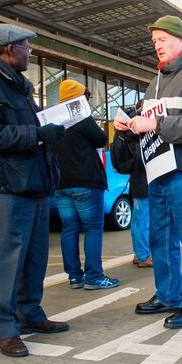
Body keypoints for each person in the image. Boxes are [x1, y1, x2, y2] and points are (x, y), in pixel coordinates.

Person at [0, 23, 67, 358]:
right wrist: (37, 134)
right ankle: (6, 329)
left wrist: (49, 129)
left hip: (33, 183)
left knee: (35, 257)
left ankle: (31, 313)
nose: (30, 52)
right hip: (8, 184)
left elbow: (28, 128)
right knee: (8, 260)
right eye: (26, 46)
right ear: (9, 49)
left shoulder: (20, 87)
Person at [116, 15, 182, 329]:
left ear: (180, 40)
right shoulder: (156, 81)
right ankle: (167, 294)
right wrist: (131, 122)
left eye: (162, 40)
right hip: (159, 170)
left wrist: (156, 124)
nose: (157, 46)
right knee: (160, 236)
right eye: (154, 42)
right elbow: (150, 119)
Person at [51, 80, 118, 290]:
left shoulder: (52, 120)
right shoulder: (80, 116)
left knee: (69, 228)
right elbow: (101, 139)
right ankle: (94, 276)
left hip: (61, 184)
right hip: (85, 182)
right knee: (92, 228)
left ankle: (74, 276)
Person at [111, 102, 152, 268]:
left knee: (138, 219)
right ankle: (143, 255)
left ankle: (139, 253)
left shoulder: (126, 130)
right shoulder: (140, 130)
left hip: (137, 180)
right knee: (143, 220)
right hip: (144, 179)